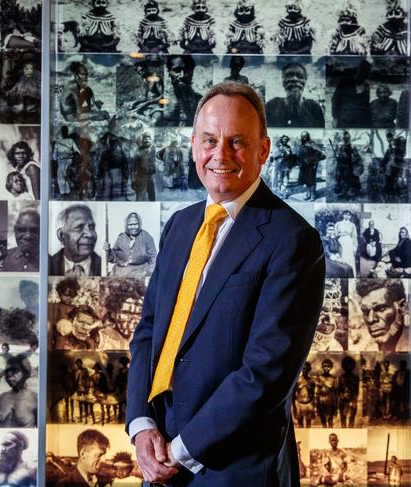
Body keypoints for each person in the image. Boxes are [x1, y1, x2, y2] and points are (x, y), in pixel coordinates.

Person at [126, 81, 324, 485]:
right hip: (160, 458)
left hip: (235, 469)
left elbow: (266, 372)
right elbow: (149, 331)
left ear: (263, 150)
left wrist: (181, 451)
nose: (220, 154)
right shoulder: (180, 226)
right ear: (194, 144)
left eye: (237, 142)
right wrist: (141, 424)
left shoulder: (293, 240)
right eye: (210, 140)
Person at [356, 279, 409, 352]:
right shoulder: (362, 349)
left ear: (402, 307)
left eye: (381, 309)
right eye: (366, 312)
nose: (370, 319)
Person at [266, 63, 324, 128]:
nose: (294, 79)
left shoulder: (314, 108)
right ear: (283, 80)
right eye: (289, 75)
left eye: (299, 76)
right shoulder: (271, 106)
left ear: (305, 80)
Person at [49, 204, 102, 277]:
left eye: (91, 227)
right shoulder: (49, 265)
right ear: (62, 235)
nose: (89, 234)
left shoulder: (104, 266)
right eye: (79, 227)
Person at [103, 212, 157, 278]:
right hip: (119, 272)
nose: (133, 227)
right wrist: (108, 250)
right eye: (130, 224)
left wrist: (148, 272)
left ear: (139, 224)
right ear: (126, 225)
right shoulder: (121, 237)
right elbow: (114, 258)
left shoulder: (146, 237)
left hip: (139, 272)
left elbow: (153, 258)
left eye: (135, 224)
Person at [0, 355, 37, 428]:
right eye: (8, 373)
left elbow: (41, 430)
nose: (10, 376)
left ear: (24, 373)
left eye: (15, 371)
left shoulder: (35, 398)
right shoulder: (2, 398)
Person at [162, 55, 202, 127]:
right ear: (169, 72)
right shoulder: (161, 99)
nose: (182, 75)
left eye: (186, 70)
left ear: (192, 72)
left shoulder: (200, 101)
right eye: (177, 70)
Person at [332, 59, 372, 128]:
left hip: (361, 122)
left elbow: (366, 105)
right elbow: (335, 100)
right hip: (345, 121)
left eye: (366, 73)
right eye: (361, 71)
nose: (363, 75)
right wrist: (335, 118)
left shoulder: (366, 86)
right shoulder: (344, 82)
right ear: (357, 70)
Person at [296, 131, 325, 201]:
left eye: (305, 135)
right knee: (306, 181)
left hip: (311, 166)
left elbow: (321, 155)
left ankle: (313, 195)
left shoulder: (312, 144)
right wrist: (299, 163)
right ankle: (308, 194)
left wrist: (313, 161)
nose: (304, 137)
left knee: (312, 181)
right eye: (302, 136)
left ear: (308, 136)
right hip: (304, 166)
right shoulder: (301, 145)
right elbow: (299, 155)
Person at [132, 133, 157, 201]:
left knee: (152, 197)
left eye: (149, 138)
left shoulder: (153, 149)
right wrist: (133, 179)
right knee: (140, 196)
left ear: (151, 140)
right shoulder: (138, 151)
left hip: (151, 177)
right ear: (142, 140)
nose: (147, 140)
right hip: (141, 177)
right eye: (145, 138)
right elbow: (134, 166)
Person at [337, 356, 359, 428]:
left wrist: (353, 399)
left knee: (351, 419)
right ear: (344, 366)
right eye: (346, 365)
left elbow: (356, 390)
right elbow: (339, 389)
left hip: (352, 400)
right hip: (343, 401)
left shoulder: (355, 377)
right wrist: (341, 395)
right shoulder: (341, 377)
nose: (348, 366)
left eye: (350, 365)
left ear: (353, 366)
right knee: (343, 419)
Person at [335, 210, 357, 277]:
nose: (347, 216)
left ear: (350, 216)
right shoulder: (338, 224)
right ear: (343, 215)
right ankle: (341, 274)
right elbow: (335, 235)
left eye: (348, 215)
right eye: (345, 214)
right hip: (341, 241)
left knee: (349, 258)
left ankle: (350, 274)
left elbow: (354, 237)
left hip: (349, 242)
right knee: (341, 257)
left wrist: (354, 247)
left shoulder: (352, 225)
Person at [293, 361, 315, 428]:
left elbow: (313, 393)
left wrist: (313, 404)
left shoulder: (312, 380)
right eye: (303, 368)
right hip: (299, 403)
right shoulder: (297, 380)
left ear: (309, 369)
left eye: (307, 368)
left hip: (309, 403)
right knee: (300, 423)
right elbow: (293, 394)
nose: (305, 369)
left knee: (308, 422)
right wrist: (294, 405)